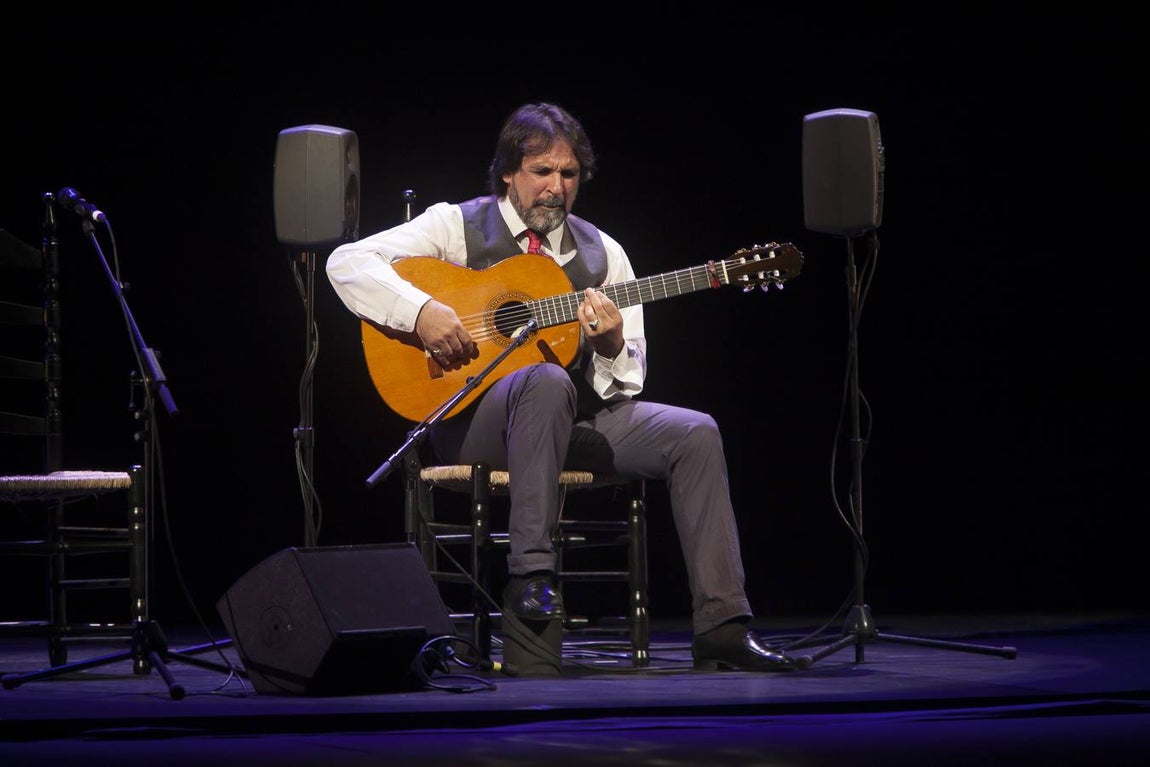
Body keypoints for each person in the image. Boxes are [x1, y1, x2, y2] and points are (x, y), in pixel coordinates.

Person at [325, 102, 793, 672]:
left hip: (571, 423)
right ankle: (532, 575)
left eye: (568, 175)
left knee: (696, 433)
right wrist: (421, 310)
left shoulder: (604, 255)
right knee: (543, 381)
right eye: (541, 172)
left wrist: (610, 347)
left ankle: (722, 625)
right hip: (474, 427)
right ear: (508, 173)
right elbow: (348, 261)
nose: (555, 188)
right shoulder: (456, 225)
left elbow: (628, 383)